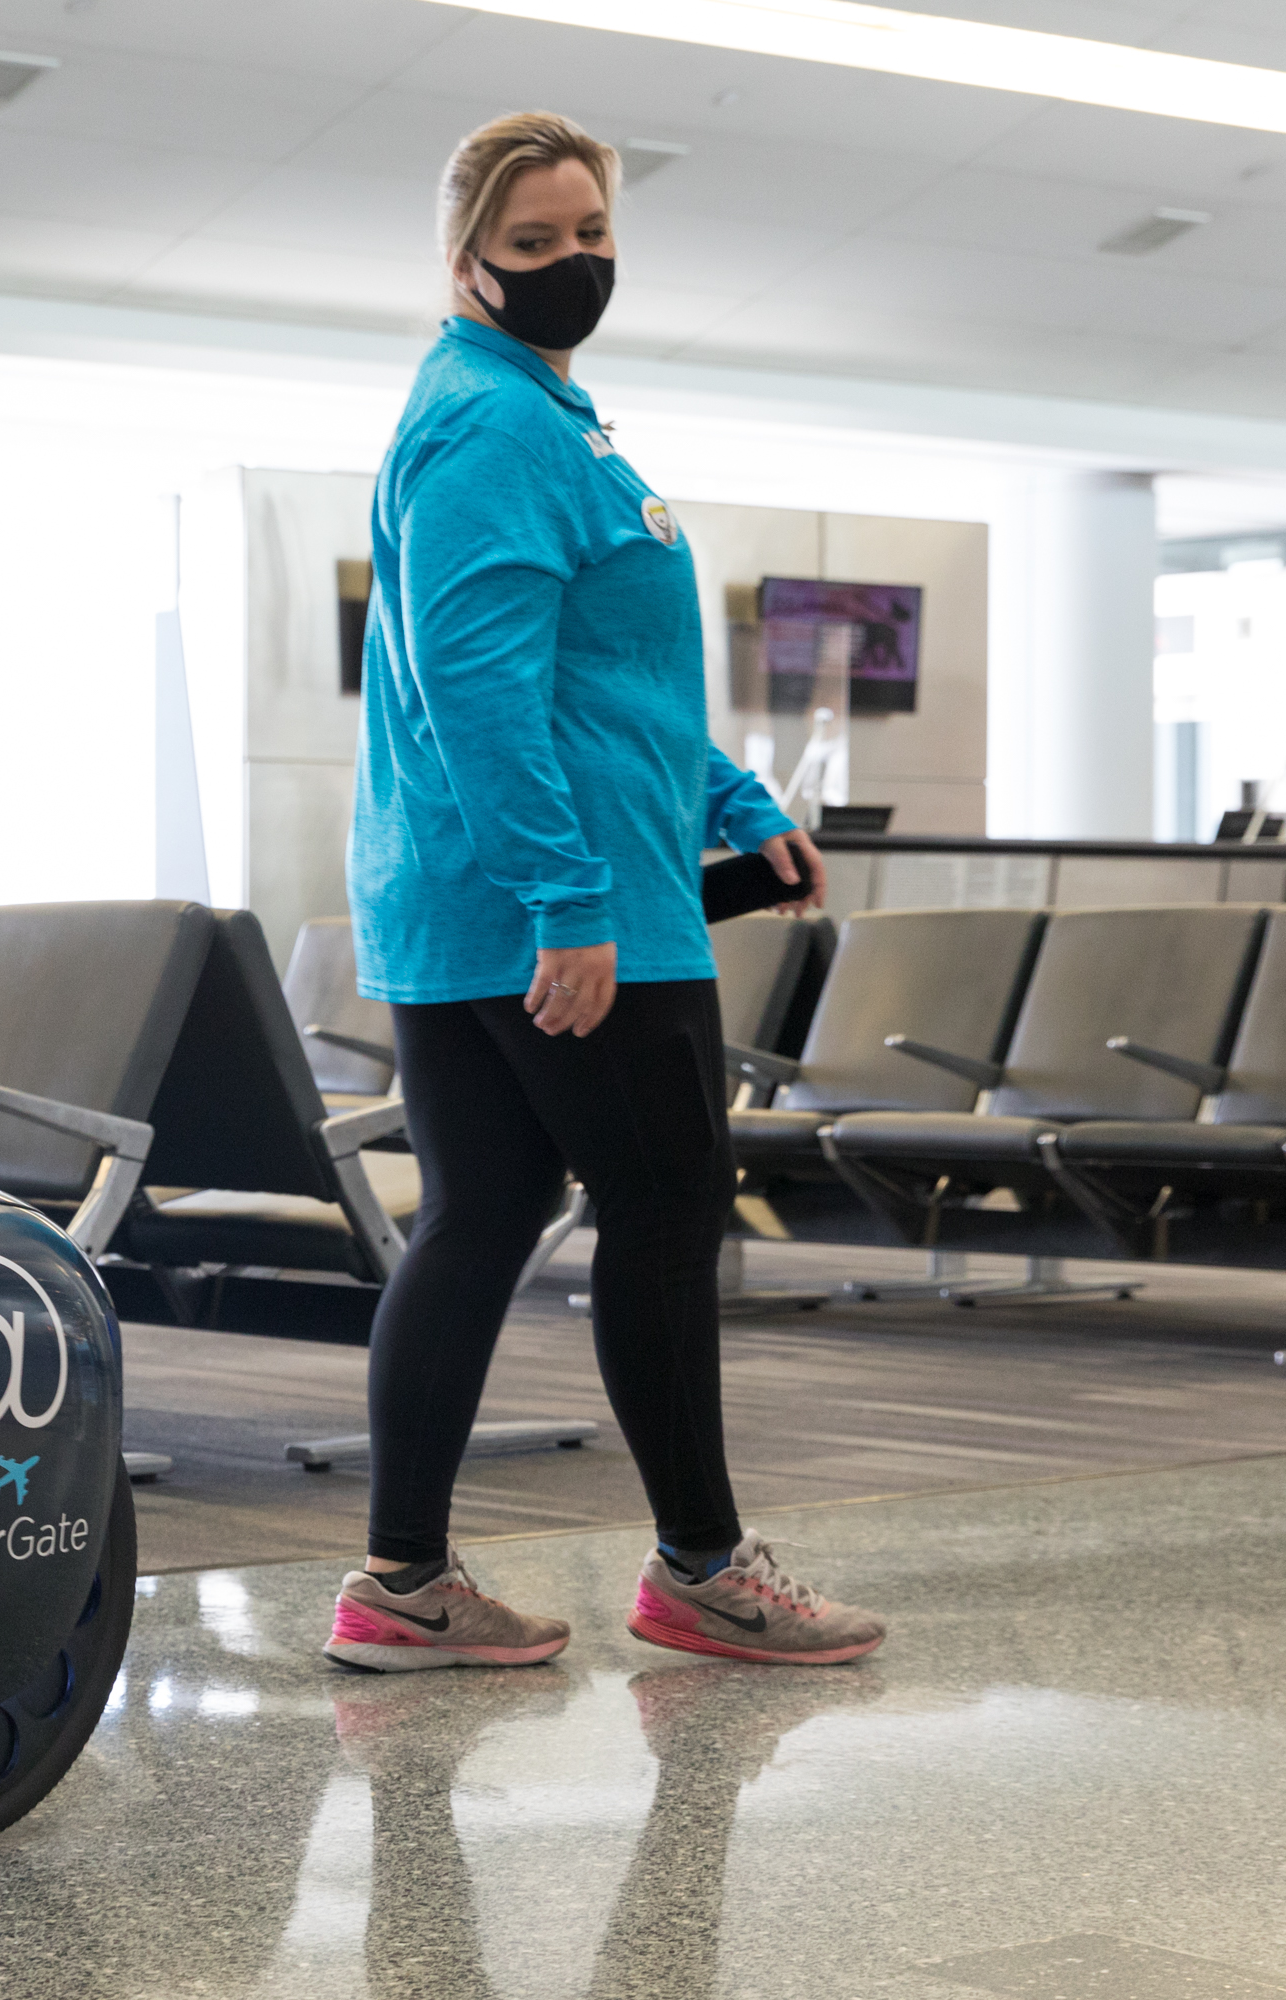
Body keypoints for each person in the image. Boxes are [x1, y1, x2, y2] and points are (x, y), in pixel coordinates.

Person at [322, 110, 886, 1674]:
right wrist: (568, 900)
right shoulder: (492, 428)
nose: (575, 264)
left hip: (508, 895)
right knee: (666, 1199)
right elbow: (479, 686)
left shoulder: (541, 416)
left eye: (592, 236)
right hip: (560, 911)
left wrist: (732, 798)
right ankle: (704, 1568)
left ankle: (402, 1584)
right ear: (462, 263)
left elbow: (606, 681)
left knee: (490, 1209)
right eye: (536, 244)